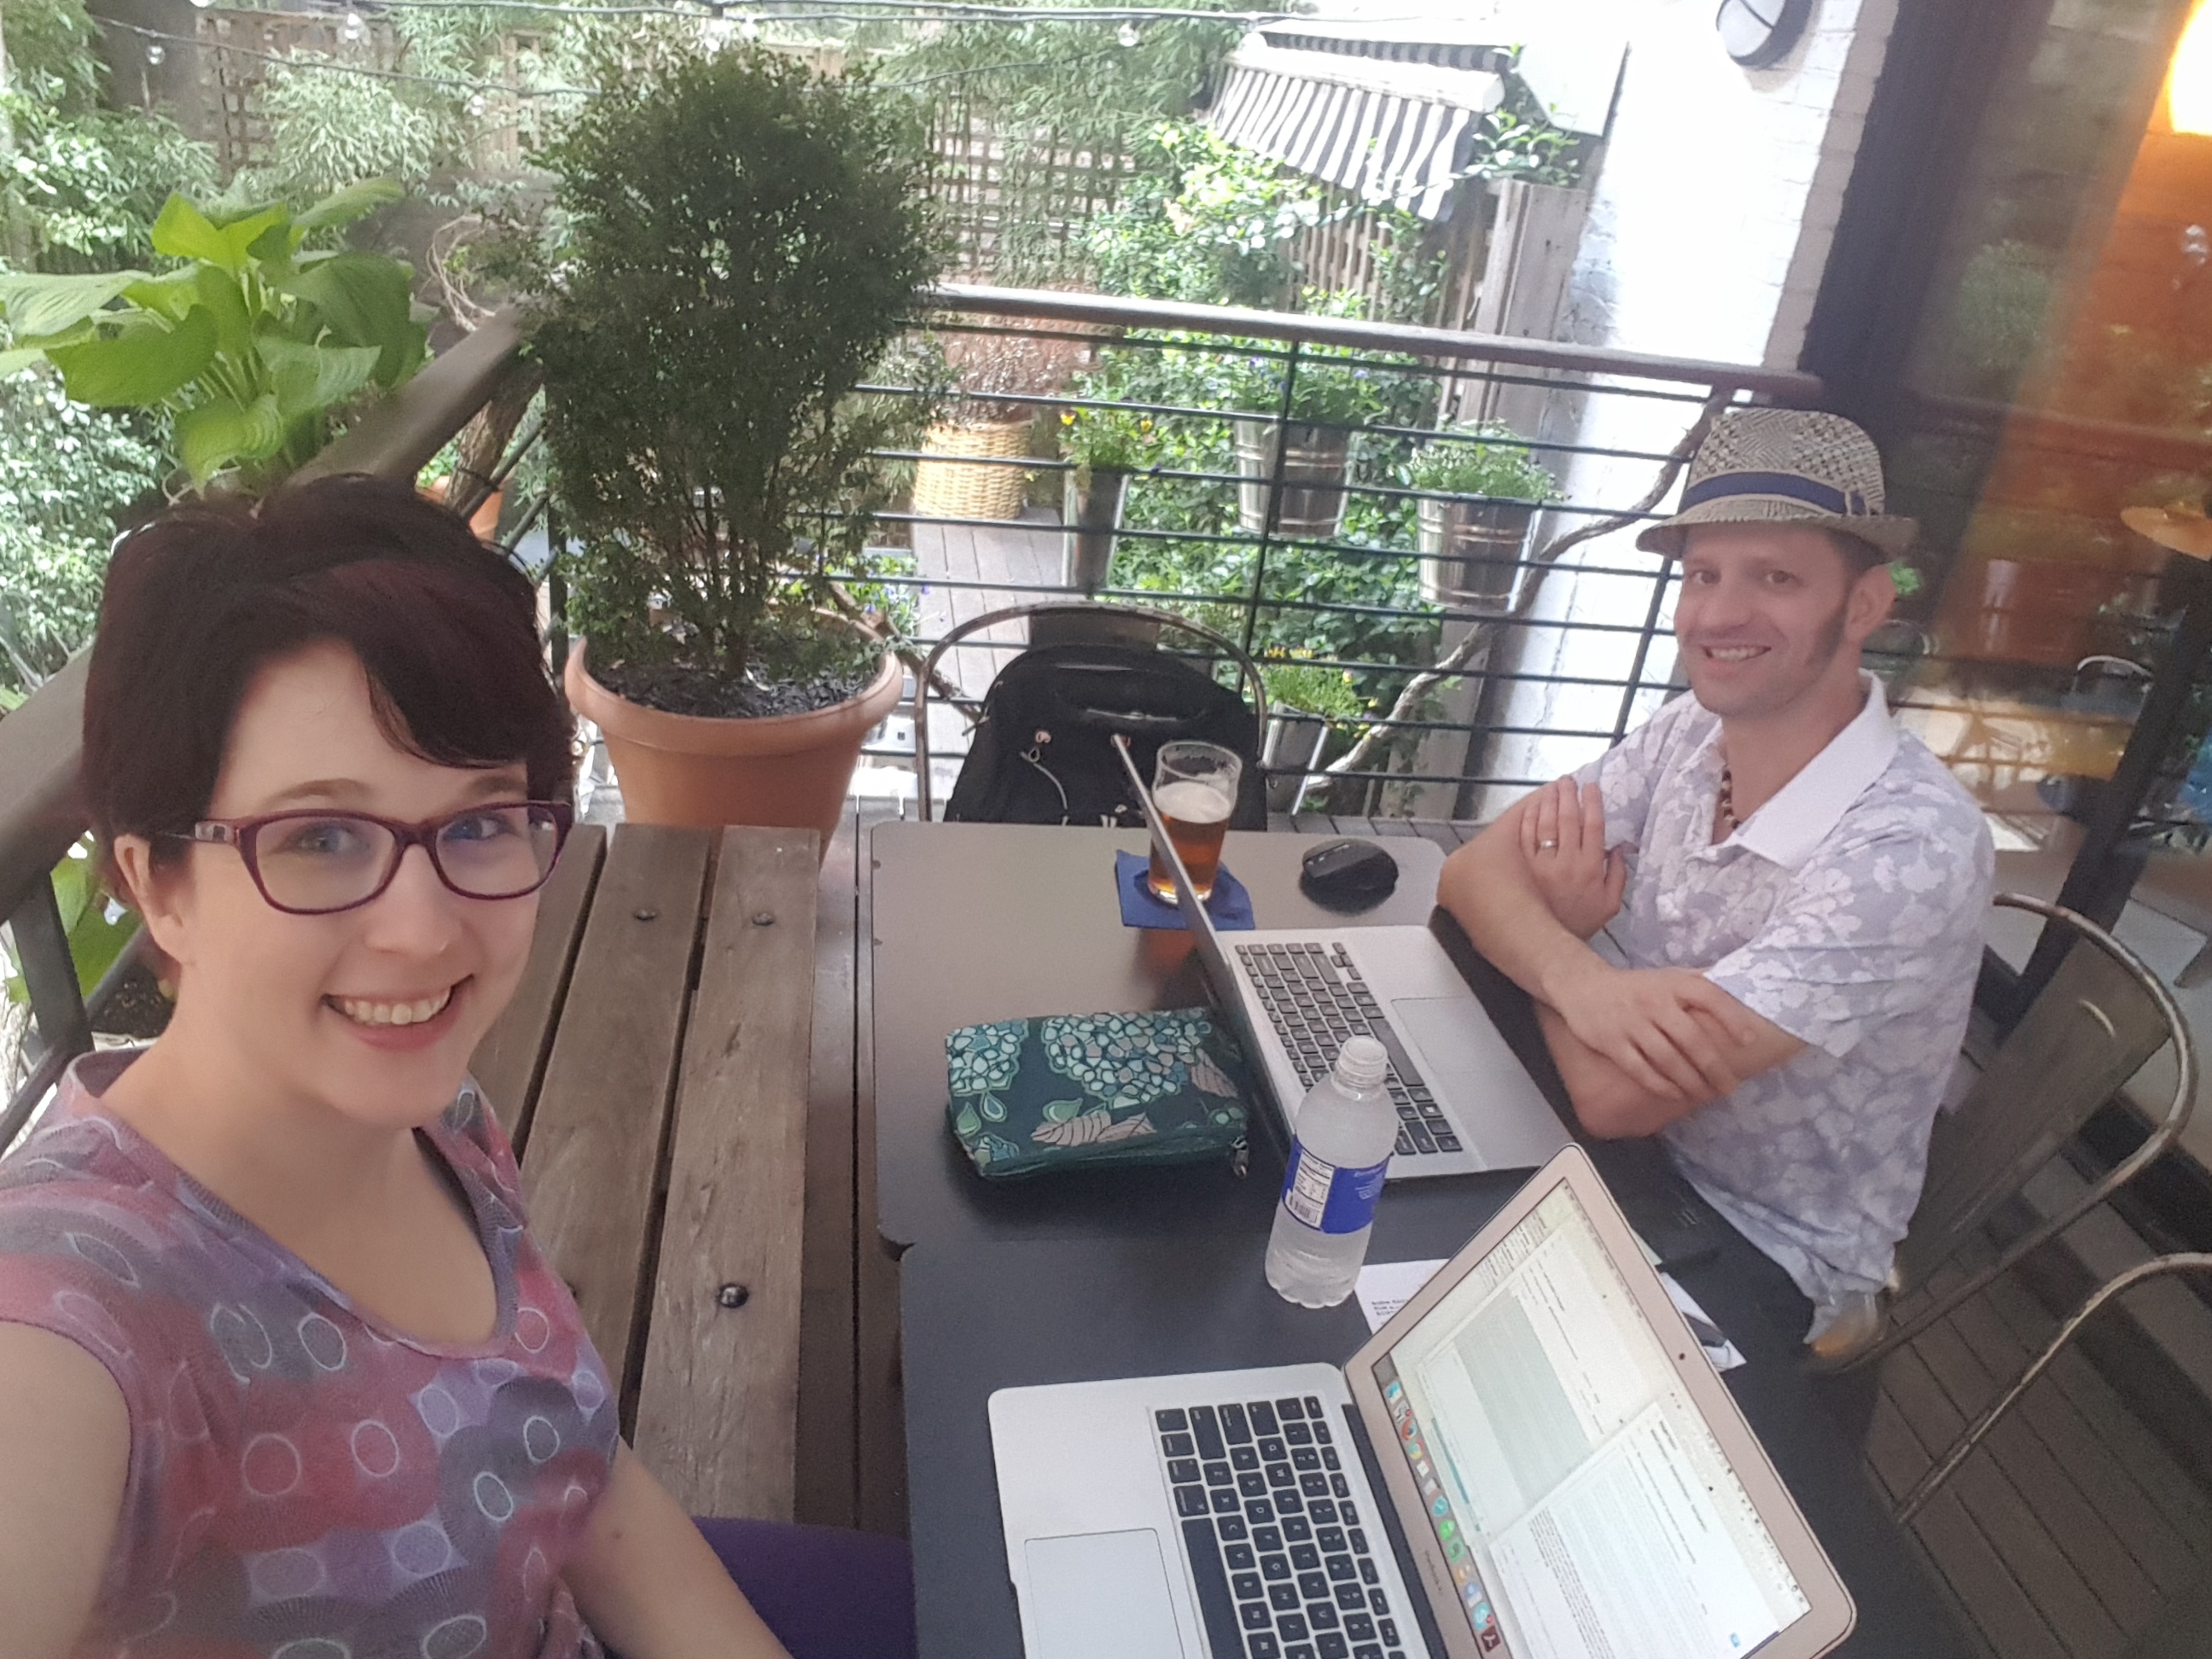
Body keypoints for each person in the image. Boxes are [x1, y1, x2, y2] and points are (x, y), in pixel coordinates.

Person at [0, 477, 912, 1659]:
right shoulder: (76, 1311)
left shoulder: (441, 1123)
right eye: (322, 838)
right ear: (157, 884)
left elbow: (575, 1474)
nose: (425, 932)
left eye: (479, 822)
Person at [1438, 409, 1994, 1346]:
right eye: (1703, 575)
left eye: (1775, 577)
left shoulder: (1907, 853)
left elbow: (1616, 1098)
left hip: (1756, 1243)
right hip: (1619, 1154)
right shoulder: (1691, 730)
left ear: (1864, 604)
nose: (1718, 615)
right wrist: (1583, 979)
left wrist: (1552, 937)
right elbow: (1472, 871)